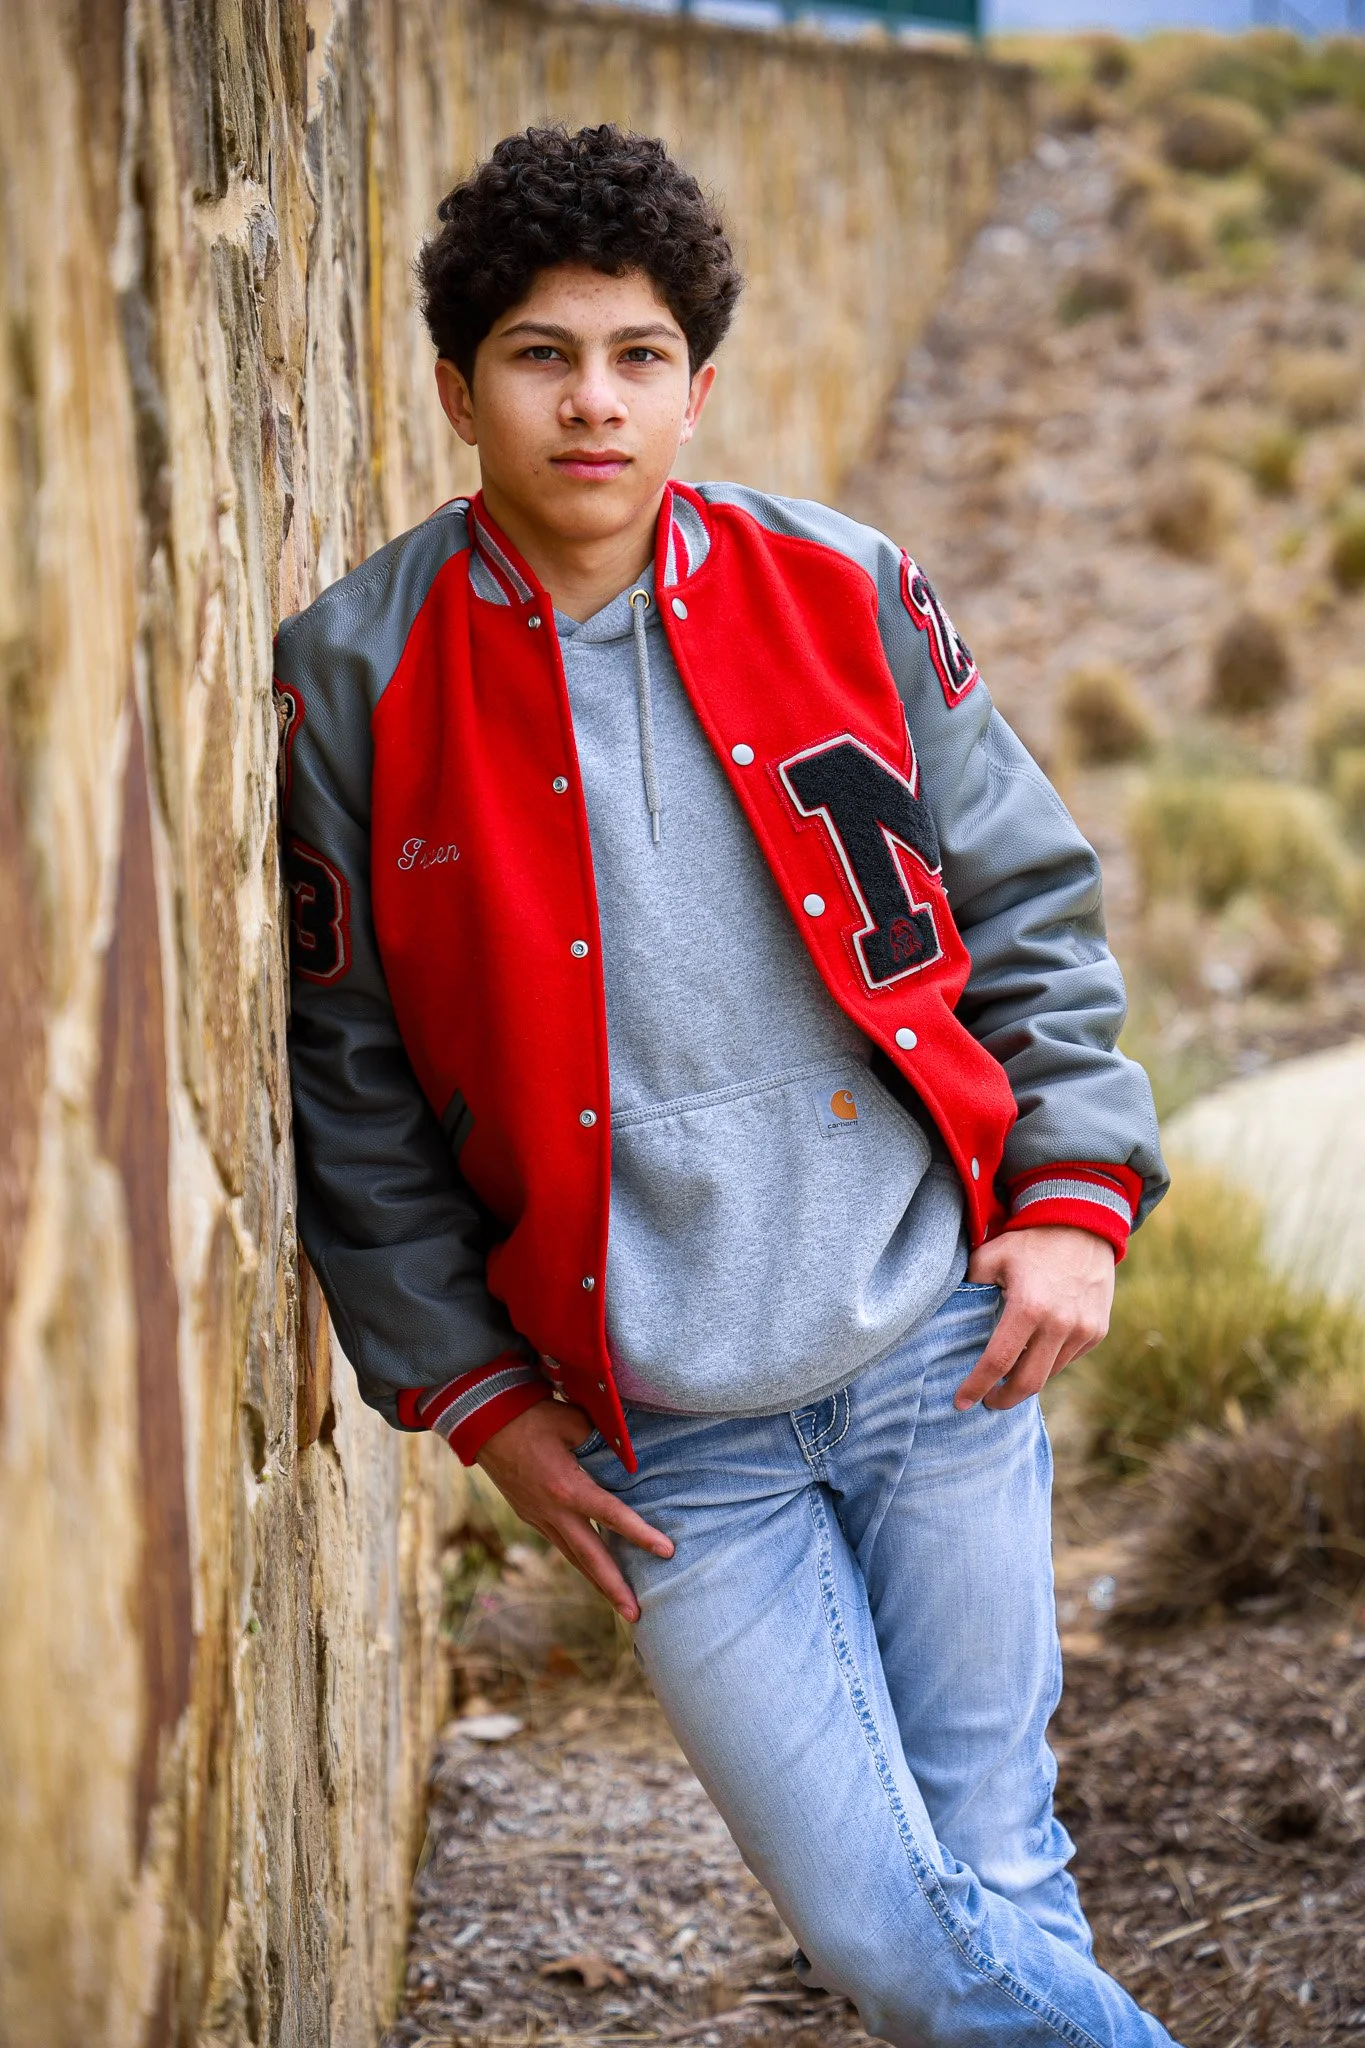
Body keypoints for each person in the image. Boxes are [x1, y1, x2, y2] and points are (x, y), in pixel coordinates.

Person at [275, 122, 1175, 2048]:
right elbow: (348, 1090)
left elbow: (1027, 902)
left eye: (637, 353)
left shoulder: (844, 590)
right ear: (457, 385)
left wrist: (1071, 1204)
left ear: (698, 379)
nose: (592, 401)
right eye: (540, 353)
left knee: (997, 1873)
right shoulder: (353, 679)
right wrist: (486, 1409)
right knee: (883, 1935)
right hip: (668, 1443)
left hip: (940, 1348)